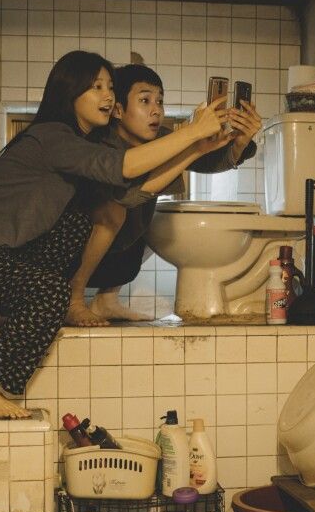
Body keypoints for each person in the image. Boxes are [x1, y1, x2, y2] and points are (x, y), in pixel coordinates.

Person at [0, 51, 226, 418]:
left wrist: (195, 149)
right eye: (96, 87)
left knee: (84, 220)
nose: (108, 96)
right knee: (51, 294)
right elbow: (124, 167)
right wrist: (192, 132)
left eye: (110, 88)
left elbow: (130, 194)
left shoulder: (79, 146)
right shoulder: (54, 137)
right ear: (70, 92)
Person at [64, 64, 263, 326]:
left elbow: (205, 159)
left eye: (159, 101)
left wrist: (239, 145)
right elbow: (125, 195)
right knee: (115, 208)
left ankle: (107, 300)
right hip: (71, 258)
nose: (156, 109)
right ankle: (73, 300)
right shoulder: (100, 143)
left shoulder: (161, 136)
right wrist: (191, 138)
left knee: (161, 217)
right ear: (118, 110)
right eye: (145, 100)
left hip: (120, 258)